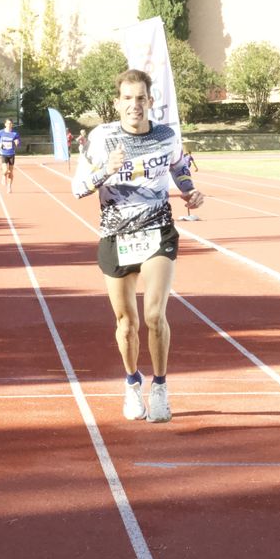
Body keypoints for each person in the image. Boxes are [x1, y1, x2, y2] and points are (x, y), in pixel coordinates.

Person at [71, 69, 204, 424]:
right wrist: (106, 169)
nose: (135, 105)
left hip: (158, 230)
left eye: (141, 98)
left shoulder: (166, 135)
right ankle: (132, 382)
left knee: (154, 315)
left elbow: (179, 167)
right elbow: (78, 188)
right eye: (128, 99)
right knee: (127, 323)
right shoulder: (101, 138)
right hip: (116, 235)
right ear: (117, 103)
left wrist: (189, 189)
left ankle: (159, 387)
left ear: (151, 101)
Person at [0, 117, 22, 192]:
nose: (9, 125)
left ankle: (9, 186)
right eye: (8, 123)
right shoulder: (1, 132)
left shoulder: (15, 133)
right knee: (5, 170)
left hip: (11, 153)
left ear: (12, 125)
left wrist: (17, 143)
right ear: (5, 124)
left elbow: (18, 142)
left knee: (11, 172)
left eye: (11, 123)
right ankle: (3, 176)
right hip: (3, 153)